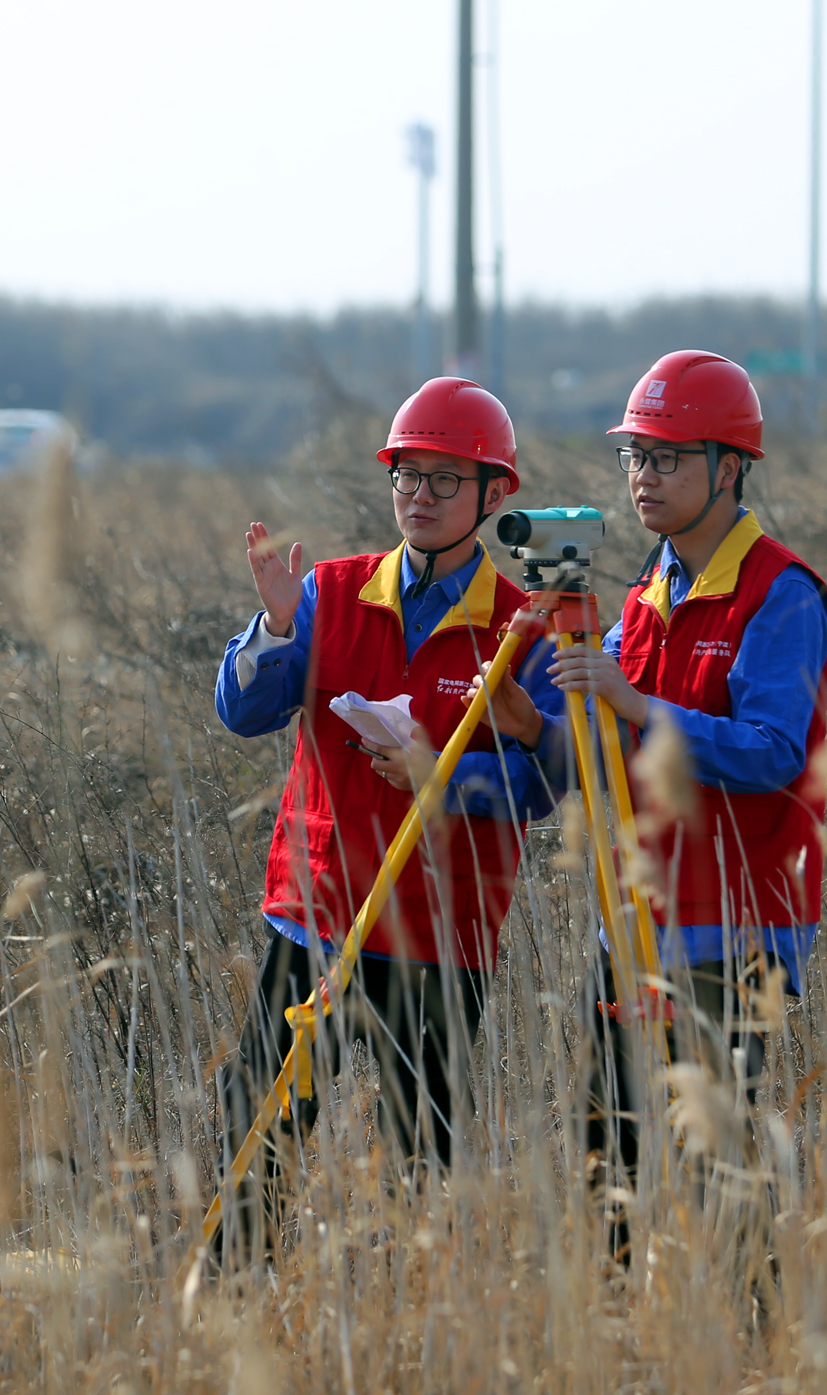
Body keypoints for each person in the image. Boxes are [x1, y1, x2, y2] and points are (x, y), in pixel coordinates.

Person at [212, 376, 563, 1257]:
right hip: (319, 914)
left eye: (448, 480)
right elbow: (242, 714)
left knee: (419, 1159)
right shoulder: (329, 591)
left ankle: (414, 1327)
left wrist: (438, 779)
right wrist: (277, 627)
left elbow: (550, 783)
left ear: (494, 495)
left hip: (438, 932)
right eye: (409, 474)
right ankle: (232, 1301)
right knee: (257, 1125)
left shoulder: (526, 627)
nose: (421, 496)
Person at [484, 350, 827, 1215]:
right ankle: (622, 1333)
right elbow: (604, 759)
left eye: (669, 457)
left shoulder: (779, 594)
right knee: (614, 1156)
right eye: (636, 456)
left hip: (736, 917)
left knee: (721, 1163)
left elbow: (773, 752)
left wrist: (637, 705)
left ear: (731, 469)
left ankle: (752, 1336)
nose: (646, 476)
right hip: (637, 910)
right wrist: (537, 731)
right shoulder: (647, 590)